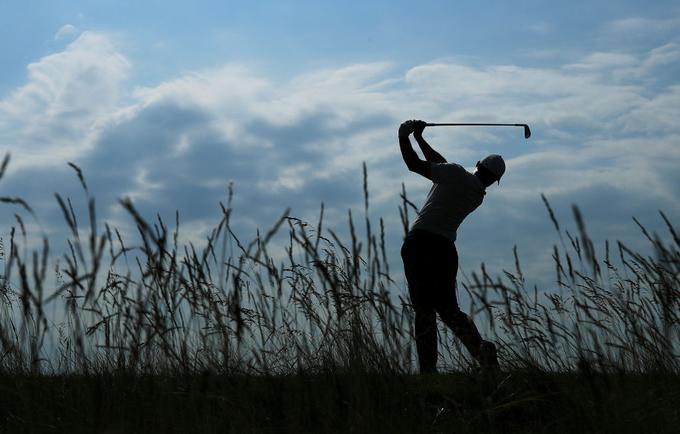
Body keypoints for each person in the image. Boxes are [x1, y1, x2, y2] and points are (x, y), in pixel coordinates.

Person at [398, 119, 503, 373]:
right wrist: (421, 139)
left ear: (477, 164)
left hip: (421, 242)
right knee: (448, 309)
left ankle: (428, 370)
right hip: (445, 249)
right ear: (494, 181)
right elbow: (442, 166)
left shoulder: (456, 175)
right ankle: (480, 350)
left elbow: (415, 165)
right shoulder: (476, 193)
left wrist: (403, 135)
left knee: (424, 310)